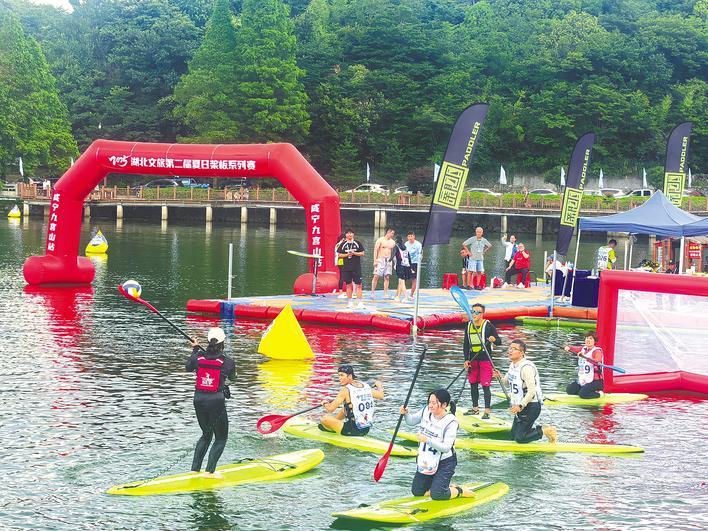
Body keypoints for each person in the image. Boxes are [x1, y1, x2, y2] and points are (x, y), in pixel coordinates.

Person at [400, 389, 476, 500]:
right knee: (417, 492)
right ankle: (441, 486)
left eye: (434, 403)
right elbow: (411, 421)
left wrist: (427, 440)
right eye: (429, 402)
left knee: (437, 494)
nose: (430, 405)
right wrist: (406, 413)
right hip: (427, 459)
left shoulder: (451, 422)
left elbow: (446, 448)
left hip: (445, 462)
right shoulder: (426, 411)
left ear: (444, 405)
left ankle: (459, 490)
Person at [186, 327, 237, 478]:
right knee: (221, 438)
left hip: (198, 400)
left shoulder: (198, 357)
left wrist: (195, 349)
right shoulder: (228, 361)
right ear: (223, 343)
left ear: (208, 341)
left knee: (206, 435)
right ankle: (209, 472)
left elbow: (188, 367)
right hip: (216, 402)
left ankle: (194, 470)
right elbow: (233, 378)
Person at [492, 339, 557, 444]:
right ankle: (534, 432)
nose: (510, 351)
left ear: (522, 353)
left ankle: (547, 430)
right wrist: (498, 376)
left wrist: (520, 406)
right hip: (520, 406)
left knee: (520, 439)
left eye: (514, 349)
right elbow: (506, 383)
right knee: (513, 436)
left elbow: (532, 391)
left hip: (531, 406)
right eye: (510, 348)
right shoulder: (513, 365)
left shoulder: (526, 368)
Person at [320, 364, 384, 435]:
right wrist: (379, 385)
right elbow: (381, 396)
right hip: (366, 429)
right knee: (346, 408)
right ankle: (335, 422)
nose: (339, 378)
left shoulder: (345, 390)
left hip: (352, 430)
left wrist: (325, 403)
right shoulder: (366, 386)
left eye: (342, 375)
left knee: (324, 419)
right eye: (339, 375)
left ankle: (332, 427)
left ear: (350, 376)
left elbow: (330, 409)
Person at [462, 303, 499, 419]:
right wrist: (466, 359)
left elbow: (499, 341)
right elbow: (466, 345)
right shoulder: (468, 326)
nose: (474, 314)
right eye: (473, 312)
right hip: (473, 360)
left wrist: (494, 339)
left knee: (485, 386)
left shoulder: (488, 326)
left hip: (485, 360)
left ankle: (487, 411)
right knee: (473, 385)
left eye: (477, 312)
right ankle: (475, 409)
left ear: (482, 314)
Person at [563, 331, 604, 399]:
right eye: (587, 338)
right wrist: (568, 347)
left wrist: (585, 357)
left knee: (583, 394)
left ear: (595, 341)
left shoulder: (597, 351)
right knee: (570, 390)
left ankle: (599, 394)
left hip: (596, 382)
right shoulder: (583, 349)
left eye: (590, 338)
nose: (588, 340)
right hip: (584, 380)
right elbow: (573, 348)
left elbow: (597, 361)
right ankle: (584, 391)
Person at [336, 229, 366, 309]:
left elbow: (362, 253)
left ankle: (360, 302)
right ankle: (350, 302)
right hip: (346, 267)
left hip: (356, 267)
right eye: (348, 233)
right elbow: (339, 255)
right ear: (346, 235)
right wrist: (347, 255)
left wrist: (354, 253)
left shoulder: (357, 243)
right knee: (348, 285)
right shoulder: (343, 244)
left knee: (359, 285)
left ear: (353, 234)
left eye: (351, 233)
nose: (349, 235)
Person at [371, 228, 396, 299]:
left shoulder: (393, 242)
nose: (393, 235)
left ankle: (385, 293)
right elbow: (376, 250)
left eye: (393, 234)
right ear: (388, 232)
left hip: (388, 260)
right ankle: (372, 292)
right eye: (392, 233)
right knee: (376, 276)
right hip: (380, 259)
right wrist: (375, 260)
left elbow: (394, 253)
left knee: (387, 277)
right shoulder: (380, 240)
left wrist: (394, 262)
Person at [393, 235, 413, 302]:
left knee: (402, 282)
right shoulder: (405, 247)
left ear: (396, 240)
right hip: (406, 266)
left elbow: (393, 255)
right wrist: (411, 267)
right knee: (400, 281)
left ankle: (406, 297)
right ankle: (398, 296)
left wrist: (388, 261)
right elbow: (409, 257)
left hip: (400, 265)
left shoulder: (396, 246)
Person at [405, 232, 422, 297]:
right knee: (403, 278)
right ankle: (402, 293)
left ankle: (411, 294)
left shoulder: (418, 244)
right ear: (407, 237)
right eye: (409, 236)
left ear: (414, 236)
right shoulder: (406, 244)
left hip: (415, 263)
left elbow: (420, 254)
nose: (410, 238)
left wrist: (419, 262)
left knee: (414, 279)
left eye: (411, 236)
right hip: (407, 263)